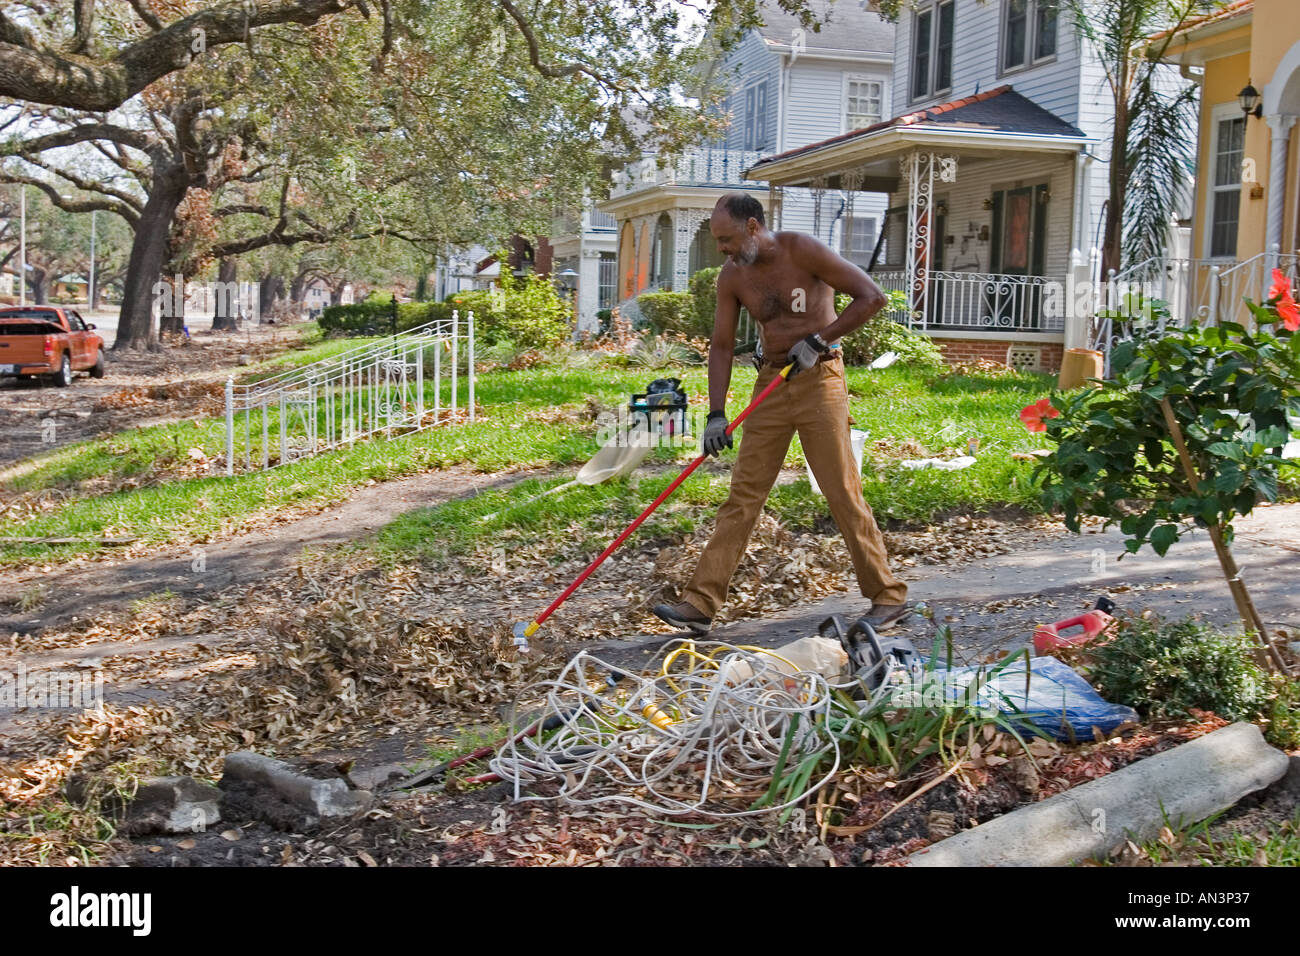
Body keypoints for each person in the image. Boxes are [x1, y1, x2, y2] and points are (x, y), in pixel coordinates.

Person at [652, 193, 911, 634]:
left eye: (728, 238)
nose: (723, 249)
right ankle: (700, 603)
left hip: (820, 380)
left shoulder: (802, 250)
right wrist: (716, 414)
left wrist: (820, 339)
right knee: (743, 496)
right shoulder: (732, 278)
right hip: (770, 384)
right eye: (718, 241)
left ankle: (887, 597)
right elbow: (719, 345)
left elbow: (871, 297)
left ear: (754, 227)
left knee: (841, 491)